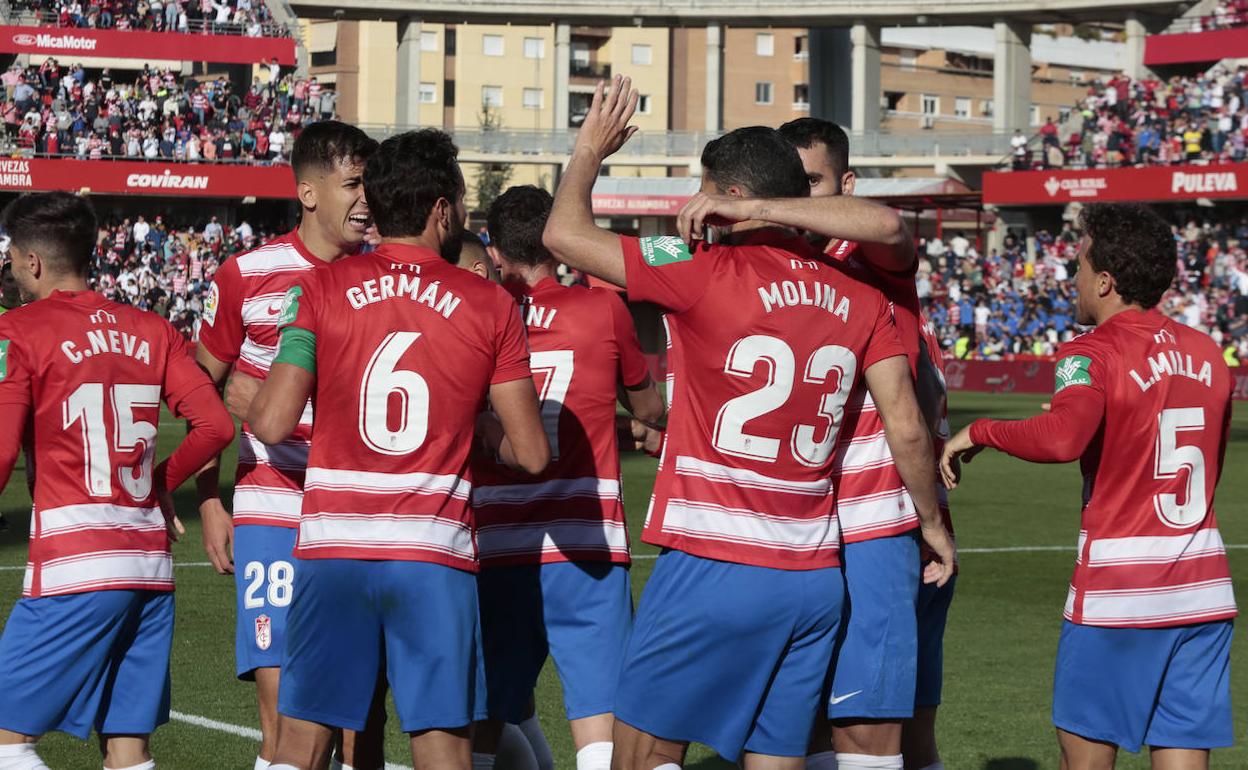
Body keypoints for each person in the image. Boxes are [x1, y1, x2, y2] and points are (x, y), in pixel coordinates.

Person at [542, 75, 954, 770]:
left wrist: (589, 150)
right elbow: (908, 425)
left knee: (641, 754)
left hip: (714, 556)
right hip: (814, 570)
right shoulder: (860, 294)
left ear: (730, 198)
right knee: (776, 758)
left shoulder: (703, 268)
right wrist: (934, 524)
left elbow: (563, 234)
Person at [248, 128, 549, 770]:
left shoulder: (321, 290)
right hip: (430, 553)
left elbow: (272, 423)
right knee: (441, 747)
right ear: (443, 209)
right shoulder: (490, 303)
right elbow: (531, 453)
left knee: (301, 744)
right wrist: (473, 427)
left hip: (334, 548)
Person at [942, 203, 1236, 769]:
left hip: (1118, 588)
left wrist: (980, 430)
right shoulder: (1209, 354)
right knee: (1183, 754)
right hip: (1202, 586)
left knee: (1086, 756)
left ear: (1105, 280)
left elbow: (1061, 438)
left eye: (1078, 263)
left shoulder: (1088, 351)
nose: (1071, 276)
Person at [0, 191, 234, 770]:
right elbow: (215, 425)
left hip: (74, 564)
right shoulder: (152, 328)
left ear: (31, 261)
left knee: (7, 742)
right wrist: (158, 483)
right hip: (149, 568)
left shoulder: (19, 331)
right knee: (128, 749)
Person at [194, 121, 382, 770]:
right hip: (270, 503)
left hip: (358, 510)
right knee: (284, 713)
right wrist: (208, 500)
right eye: (354, 184)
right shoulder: (247, 274)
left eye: (371, 184)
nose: (367, 199)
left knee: (356, 727)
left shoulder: (386, 275)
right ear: (308, 192)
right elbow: (201, 393)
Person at [469, 186, 664, 770]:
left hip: (497, 539)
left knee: (483, 717)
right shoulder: (603, 309)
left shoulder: (478, 308)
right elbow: (650, 410)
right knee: (600, 725)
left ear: (495, 251)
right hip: (586, 538)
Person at [778, 117, 946, 770]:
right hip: (794, 522)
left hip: (876, 518)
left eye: (811, 184)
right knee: (802, 719)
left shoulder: (869, 260)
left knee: (871, 725)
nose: (796, 200)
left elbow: (891, 230)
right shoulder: (771, 266)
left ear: (846, 184)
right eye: (786, 184)